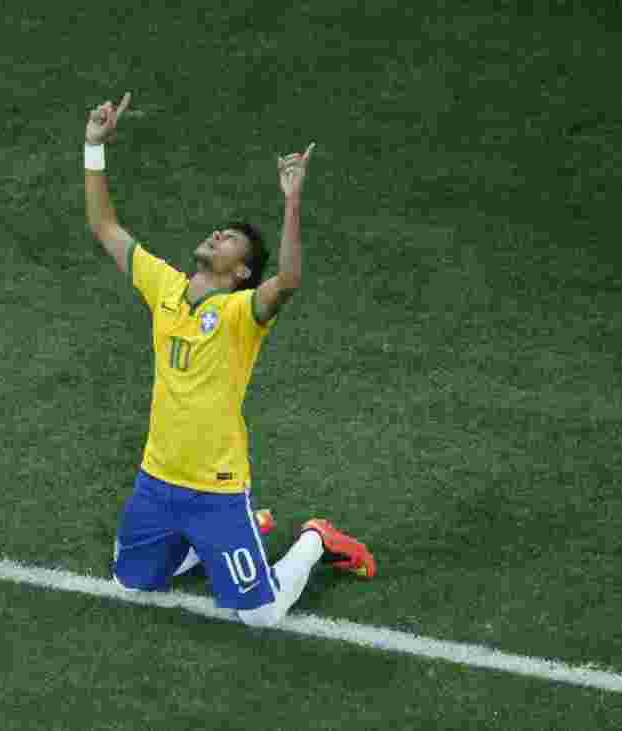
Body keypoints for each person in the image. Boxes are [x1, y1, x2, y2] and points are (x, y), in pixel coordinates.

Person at [83, 92, 376, 626]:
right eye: (220, 232)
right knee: (132, 586)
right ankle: (218, 541)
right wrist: (93, 148)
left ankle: (315, 539)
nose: (217, 235)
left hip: (215, 489)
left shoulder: (243, 312)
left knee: (259, 616)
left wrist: (291, 201)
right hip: (156, 479)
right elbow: (106, 228)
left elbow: (287, 280)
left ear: (242, 271)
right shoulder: (165, 287)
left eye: (231, 240)